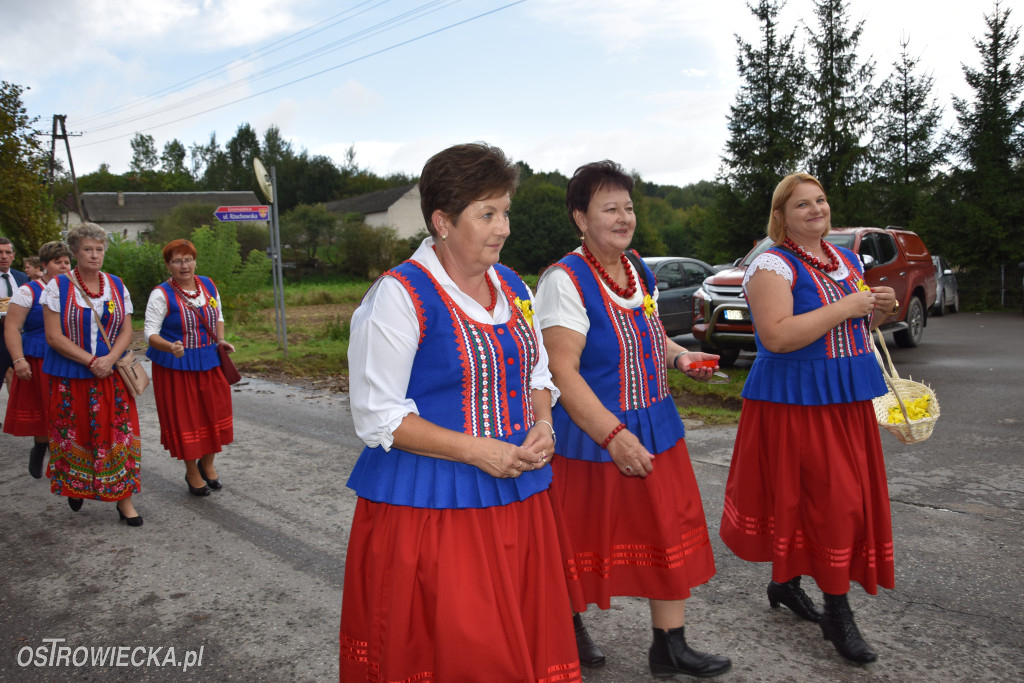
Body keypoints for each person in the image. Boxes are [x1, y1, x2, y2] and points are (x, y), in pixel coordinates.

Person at [340, 143, 581, 681]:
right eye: (488, 214)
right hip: (432, 507)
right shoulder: (398, 296)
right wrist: (480, 451)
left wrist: (543, 424)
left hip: (517, 497)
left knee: (518, 643)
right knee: (465, 652)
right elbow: (379, 415)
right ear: (442, 221)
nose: (504, 228)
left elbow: (538, 375)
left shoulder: (514, 287)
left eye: (506, 212)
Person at [535, 160, 731, 678]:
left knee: (668, 531)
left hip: (656, 424)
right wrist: (613, 435)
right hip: (593, 435)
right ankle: (564, 625)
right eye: (609, 208)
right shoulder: (565, 280)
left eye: (628, 207)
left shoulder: (637, 268)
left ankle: (670, 646)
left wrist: (680, 357)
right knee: (578, 539)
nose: (624, 218)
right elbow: (562, 371)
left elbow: (647, 335)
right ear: (580, 217)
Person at [718, 173, 898, 664]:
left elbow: (857, 325)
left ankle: (785, 582)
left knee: (826, 498)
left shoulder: (842, 259)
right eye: (802, 205)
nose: (816, 210)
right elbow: (775, 336)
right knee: (832, 502)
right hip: (797, 401)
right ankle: (837, 614)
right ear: (781, 216)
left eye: (820, 200)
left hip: (844, 397)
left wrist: (879, 308)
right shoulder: (771, 265)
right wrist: (848, 306)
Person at [42, 223, 143, 526]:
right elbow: (53, 336)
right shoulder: (57, 287)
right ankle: (78, 486)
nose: (95, 255)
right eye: (88, 249)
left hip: (111, 375)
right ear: (74, 252)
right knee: (78, 435)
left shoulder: (115, 284)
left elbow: (126, 329)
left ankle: (124, 502)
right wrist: (91, 361)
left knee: (118, 436)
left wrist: (109, 359)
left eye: (99, 249)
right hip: (71, 375)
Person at [145, 239, 235, 496]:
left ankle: (207, 464)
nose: (184, 265)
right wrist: (169, 347)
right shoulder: (161, 294)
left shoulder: (207, 284)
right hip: (176, 365)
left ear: (195, 261)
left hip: (209, 360)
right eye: (177, 261)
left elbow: (217, 316)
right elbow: (149, 333)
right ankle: (191, 471)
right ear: (168, 265)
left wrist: (220, 341)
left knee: (215, 413)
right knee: (188, 419)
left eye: (188, 259)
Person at [4, 241, 73, 477]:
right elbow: (12, 328)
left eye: (67, 262)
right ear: (44, 265)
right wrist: (18, 360)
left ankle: (64, 464)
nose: (63, 266)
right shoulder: (28, 291)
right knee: (46, 411)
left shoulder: (76, 289)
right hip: (39, 357)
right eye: (57, 262)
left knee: (67, 412)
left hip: (70, 356)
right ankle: (42, 447)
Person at [1, 237, 31, 394]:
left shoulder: (21, 278)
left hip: (19, 337)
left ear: (13, 255)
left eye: (7, 252)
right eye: (0, 252)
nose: (4, 256)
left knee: (26, 384)